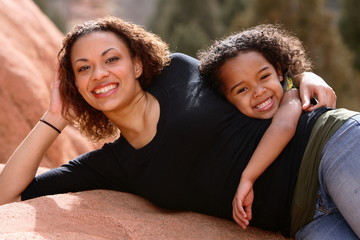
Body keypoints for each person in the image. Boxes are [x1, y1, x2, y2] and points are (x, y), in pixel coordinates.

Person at [0, 16, 336, 238]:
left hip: (324, 150)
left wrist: (304, 76)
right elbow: (7, 195)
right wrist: (55, 117)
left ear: (135, 63)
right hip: (304, 219)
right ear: (75, 84)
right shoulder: (112, 166)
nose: (99, 73)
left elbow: (247, 78)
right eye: (84, 68)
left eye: (111, 59)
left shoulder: (179, 71)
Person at [198, 24, 360, 239]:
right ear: (225, 99)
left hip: (337, 147)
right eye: (242, 89)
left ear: (279, 70)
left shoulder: (291, 96)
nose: (259, 92)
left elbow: (283, 127)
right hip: (307, 214)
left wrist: (247, 178)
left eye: (264, 77)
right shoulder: (232, 124)